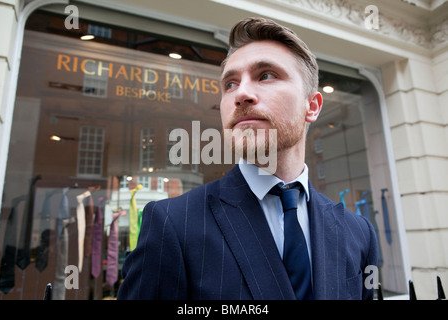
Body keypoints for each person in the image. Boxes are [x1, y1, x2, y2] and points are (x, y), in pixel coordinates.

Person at [117, 17, 378, 300]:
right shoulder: (172, 224)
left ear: (312, 106)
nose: (241, 93)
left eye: (266, 75)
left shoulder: (358, 232)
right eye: (230, 84)